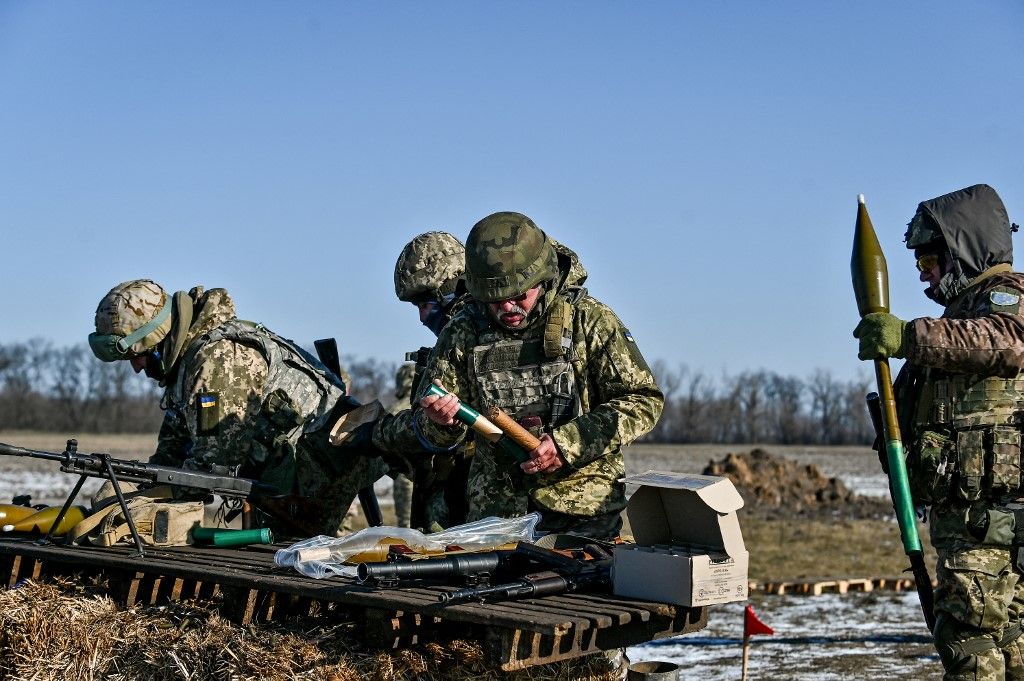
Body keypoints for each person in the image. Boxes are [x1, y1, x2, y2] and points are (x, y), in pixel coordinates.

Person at [854, 184, 1024, 680]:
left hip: (992, 523)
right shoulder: (958, 317)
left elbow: (1008, 342)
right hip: (967, 521)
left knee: (970, 645)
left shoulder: (1006, 298)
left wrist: (909, 336)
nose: (922, 270)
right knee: (1006, 642)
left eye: (930, 257)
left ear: (963, 248)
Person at [414, 211, 664, 540]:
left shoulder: (587, 321)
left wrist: (567, 444)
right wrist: (442, 422)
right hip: (497, 518)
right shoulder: (464, 329)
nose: (507, 308)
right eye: (495, 299)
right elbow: (429, 430)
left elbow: (643, 402)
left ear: (542, 279)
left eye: (518, 296)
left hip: (581, 513)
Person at [88, 279, 387, 537]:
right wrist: (135, 483)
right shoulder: (185, 366)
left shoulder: (216, 360)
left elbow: (212, 467)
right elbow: (172, 454)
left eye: (138, 356)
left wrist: (144, 498)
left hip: (319, 469)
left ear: (157, 339)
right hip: (285, 476)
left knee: (294, 568)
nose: (137, 368)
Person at [372, 231, 472, 529]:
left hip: (463, 504)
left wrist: (377, 433)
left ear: (447, 291)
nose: (421, 318)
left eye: (423, 305)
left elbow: (428, 428)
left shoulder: (465, 338)